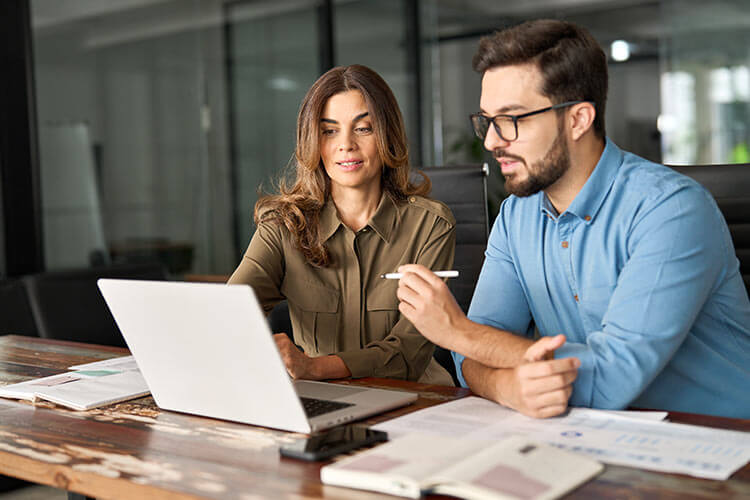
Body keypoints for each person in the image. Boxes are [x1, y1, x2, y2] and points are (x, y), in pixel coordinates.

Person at [396, 19, 750, 418]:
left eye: (512, 119)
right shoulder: (516, 216)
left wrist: (456, 331)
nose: (492, 141)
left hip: (720, 444)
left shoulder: (672, 210)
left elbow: (610, 379)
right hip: (594, 439)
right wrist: (505, 386)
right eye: (486, 121)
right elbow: (471, 358)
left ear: (578, 119)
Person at [229, 64, 456, 386]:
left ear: (387, 134)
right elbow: (231, 310)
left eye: (363, 128)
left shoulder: (430, 224)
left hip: (415, 396)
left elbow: (409, 351)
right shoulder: (282, 226)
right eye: (329, 130)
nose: (346, 144)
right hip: (320, 397)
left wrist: (315, 368)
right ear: (313, 139)